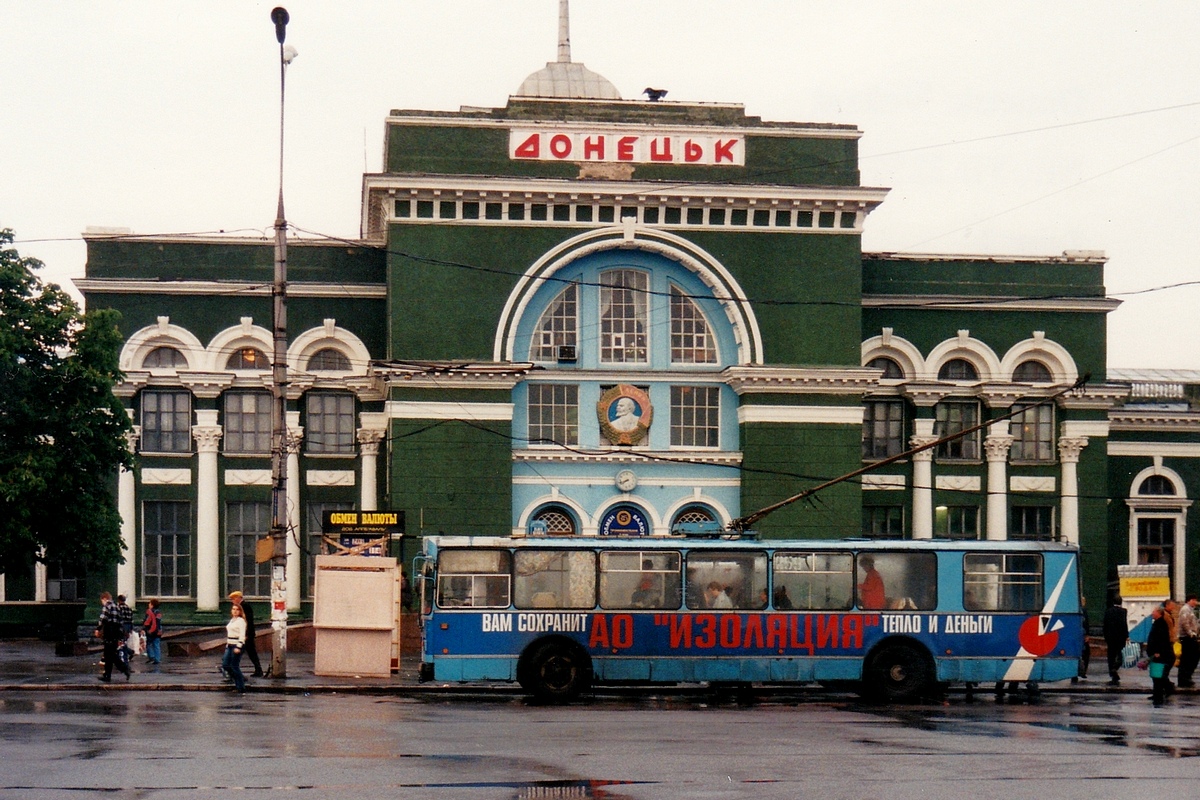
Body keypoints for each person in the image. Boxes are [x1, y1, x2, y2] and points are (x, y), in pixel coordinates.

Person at [94, 591, 130, 682]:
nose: (102, 603)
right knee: (111, 653)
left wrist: (98, 629)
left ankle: (123, 669)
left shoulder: (107, 606)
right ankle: (109, 674)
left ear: (104, 599)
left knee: (109, 654)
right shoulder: (117, 607)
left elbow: (103, 619)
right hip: (116, 632)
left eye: (102, 600)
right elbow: (121, 621)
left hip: (109, 631)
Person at [229, 591, 263, 678]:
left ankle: (257, 670)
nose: (232, 601)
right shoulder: (242, 606)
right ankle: (258, 670)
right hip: (245, 634)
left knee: (250, 652)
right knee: (250, 652)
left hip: (246, 634)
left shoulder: (244, 606)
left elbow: (248, 622)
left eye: (233, 599)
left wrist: (246, 634)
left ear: (238, 598)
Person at [1147, 604, 1173, 705]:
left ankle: (1159, 695)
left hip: (1159, 655)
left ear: (1159, 613)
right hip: (1156, 654)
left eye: (1154, 612)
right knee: (1156, 676)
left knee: (1158, 676)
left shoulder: (1161, 624)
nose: (1152, 613)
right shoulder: (1157, 623)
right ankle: (1158, 694)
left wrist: (1158, 651)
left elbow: (1161, 640)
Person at [1102, 595, 1128, 686]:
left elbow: (1105, 625)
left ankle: (1112, 672)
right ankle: (1115, 667)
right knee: (1121, 655)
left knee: (1111, 655)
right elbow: (1124, 625)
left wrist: (1105, 636)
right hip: (1120, 637)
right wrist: (1126, 636)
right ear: (1121, 602)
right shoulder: (1123, 611)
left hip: (1110, 637)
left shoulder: (1108, 612)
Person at [1176, 594, 1199, 688]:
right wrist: (1191, 633)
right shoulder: (1185, 609)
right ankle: (1184, 679)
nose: (1195, 602)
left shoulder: (1190, 610)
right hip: (1187, 637)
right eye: (1193, 600)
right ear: (1189, 600)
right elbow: (1185, 623)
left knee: (1192, 658)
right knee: (1188, 658)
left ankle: (1187, 677)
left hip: (1191, 637)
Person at [142, 598, 163, 666]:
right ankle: (157, 659)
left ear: (152, 605)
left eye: (150, 603)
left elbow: (147, 621)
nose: (148, 604)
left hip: (151, 630)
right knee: (156, 644)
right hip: (158, 630)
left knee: (149, 644)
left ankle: (151, 656)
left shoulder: (149, 612)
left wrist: (144, 629)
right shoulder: (158, 612)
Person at [116, 594, 134, 664]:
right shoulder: (129, 608)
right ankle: (129, 652)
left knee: (120, 642)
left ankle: (123, 657)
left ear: (119, 600)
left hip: (122, 626)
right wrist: (131, 629)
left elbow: (119, 619)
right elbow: (131, 619)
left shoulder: (119, 608)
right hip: (128, 626)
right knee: (124, 641)